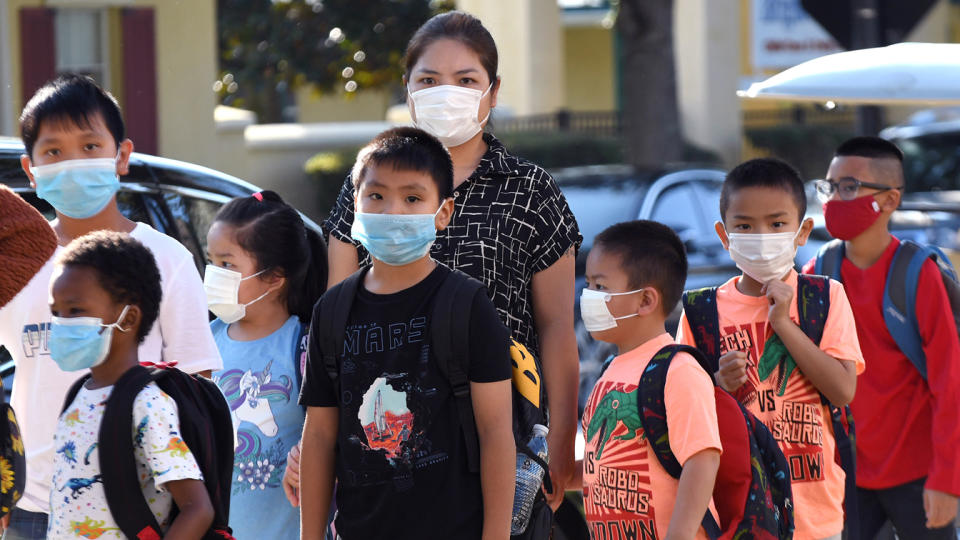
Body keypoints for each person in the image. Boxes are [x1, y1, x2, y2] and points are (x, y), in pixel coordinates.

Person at [299, 12, 582, 524]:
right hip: (384, 447)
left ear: (492, 93)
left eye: (466, 80)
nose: (445, 92)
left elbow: (558, 325)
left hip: (503, 438)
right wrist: (320, 440)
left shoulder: (532, 191)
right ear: (408, 92)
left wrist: (560, 439)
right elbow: (336, 331)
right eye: (428, 80)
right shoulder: (362, 190)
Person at [0, 74, 222, 539]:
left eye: (89, 146)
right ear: (30, 168)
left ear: (121, 155)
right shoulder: (15, 260)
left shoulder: (167, 259)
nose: (73, 163)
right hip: (29, 506)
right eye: (54, 152)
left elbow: (196, 385)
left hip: (134, 506)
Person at [298, 127, 515, 540]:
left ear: (444, 212)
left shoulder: (466, 305)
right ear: (355, 205)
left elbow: (495, 433)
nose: (392, 210)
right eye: (376, 196)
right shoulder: (332, 311)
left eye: (413, 198)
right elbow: (321, 434)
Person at [676, 158, 864, 540]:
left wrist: (784, 325)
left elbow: (843, 390)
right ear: (724, 234)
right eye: (744, 226)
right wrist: (716, 383)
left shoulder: (825, 297)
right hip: (739, 512)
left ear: (802, 230)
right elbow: (685, 413)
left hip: (816, 512)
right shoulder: (700, 312)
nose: (761, 236)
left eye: (777, 224)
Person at [801, 137, 960, 539]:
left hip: (918, 474)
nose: (835, 198)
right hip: (847, 471)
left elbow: (950, 381)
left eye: (850, 187)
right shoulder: (819, 271)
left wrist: (947, 479)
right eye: (830, 186)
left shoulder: (917, 274)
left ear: (889, 200)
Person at [47, 231, 213, 538]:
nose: (61, 324)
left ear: (128, 318)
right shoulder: (78, 394)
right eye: (55, 313)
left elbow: (198, 508)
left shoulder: (146, 403)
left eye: (75, 311)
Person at [577, 220, 722, 540]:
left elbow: (703, 460)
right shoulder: (610, 369)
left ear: (645, 301)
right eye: (588, 284)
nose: (588, 296)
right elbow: (604, 462)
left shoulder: (678, 370)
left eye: (600, 287)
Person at [205, 190, 326, 538]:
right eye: (211, 261)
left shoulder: (304, 346)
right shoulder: (205, 342)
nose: (214, 274)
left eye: (227, 265)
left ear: (275, 277)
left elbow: (328, 433)